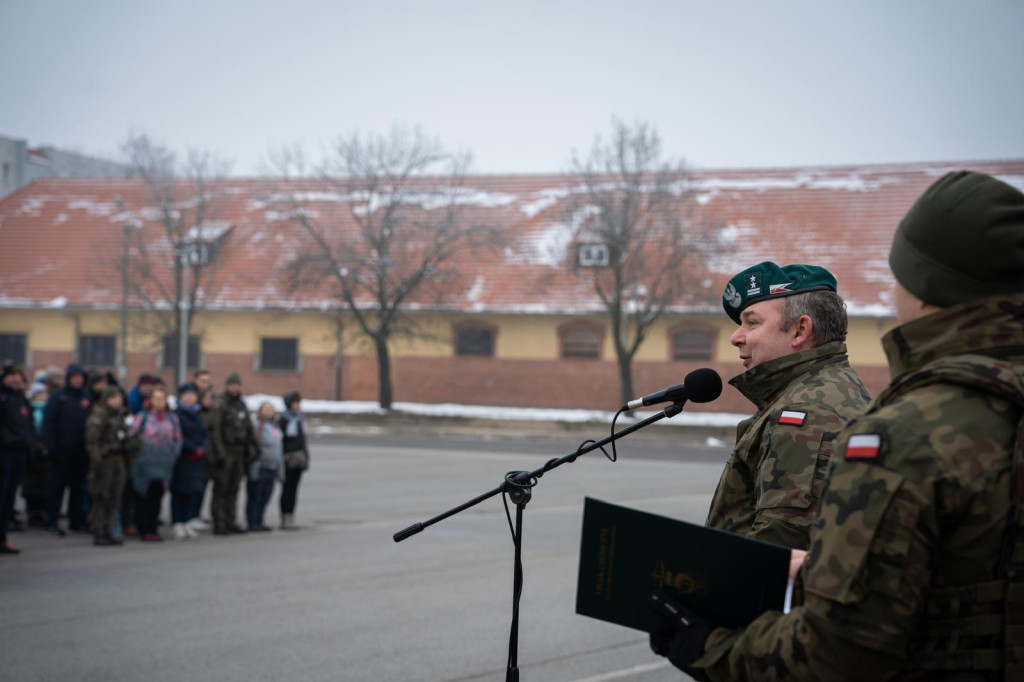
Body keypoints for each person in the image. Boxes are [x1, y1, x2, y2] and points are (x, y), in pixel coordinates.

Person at [649, 170, 1024, 681]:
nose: (737, 338)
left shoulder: (895, 429)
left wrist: (710, 649)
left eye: (752, 322)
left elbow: (837, 641)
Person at [705, 261, 871, 550]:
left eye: (752, 322)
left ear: (799, 330)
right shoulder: (828, 388)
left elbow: (776, 551)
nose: (736, 337)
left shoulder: (806, 412)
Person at [42, 363, 92, 536]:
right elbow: (48, 423)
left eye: (80, 377)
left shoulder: (86, 396)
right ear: (69, 378)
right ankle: (52, 521)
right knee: (57, 488)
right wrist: (52, 447)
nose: (78, 380)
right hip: (61, 451)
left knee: (78, 489)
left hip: (81, 452)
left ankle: (76, 521)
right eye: (74, 377)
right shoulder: (58, 396)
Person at [85, 386, 139, 546]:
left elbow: (126, 438)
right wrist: (98, 463)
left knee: (114, 498)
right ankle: (98, 530)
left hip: (119, 462)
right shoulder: (99, 417)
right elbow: (92, 442)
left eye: (119, 398)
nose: (117, 401)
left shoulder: (121, 416)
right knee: (102, 497)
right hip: (105, 462)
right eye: (113, 398)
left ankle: (108, 530)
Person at [129, 385, 182, 542]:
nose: (159, 402)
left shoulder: (172, 418)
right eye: (156, 398)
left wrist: (173, 456)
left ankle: (153, 527)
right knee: (143, 496)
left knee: (157, 498)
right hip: (144, 465)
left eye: (162, 399)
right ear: (150, 400)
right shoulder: (142, 417)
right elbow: (132, 437)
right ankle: (143, 528)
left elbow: (177, 440)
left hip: (164, 465)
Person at [207, 373, 257, 536]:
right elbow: (216, 431)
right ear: (227, 386)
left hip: (239, 452)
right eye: (232, 385)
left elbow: (249, 428)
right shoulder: (220, 404)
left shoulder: (241, 405)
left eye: (238, 385)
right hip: (225, 452)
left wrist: (254, 448)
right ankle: (219, 522)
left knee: (234, 488)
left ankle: (231, 520)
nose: (235, 388)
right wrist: (219, 453)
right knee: (221, 487)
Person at [0, 363, 33, 555]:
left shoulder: (20, 398)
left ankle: (3, 538)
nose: (16, 379)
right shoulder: (2, 397)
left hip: (19, 453)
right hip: (4, 453)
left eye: (18, 375)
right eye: (12, 376)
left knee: (9, 499)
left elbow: (26, 425)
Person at [171, 383, 208, 540]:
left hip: (197, 460)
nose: (190, 398)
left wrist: (202, 448)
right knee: (179, 491)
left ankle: (188, 522)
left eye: (193, 395)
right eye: (186, 395)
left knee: (193, 491)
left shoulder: (199, 414)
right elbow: (178, 435)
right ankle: (177, 523)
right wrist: (192, 449)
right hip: (182, 458)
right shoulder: (176, 414)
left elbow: (206, 434)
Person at [247, 401, 284, 532]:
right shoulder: (256, 425)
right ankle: (252, 521)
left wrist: (281, 470)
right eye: (266, 408)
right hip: (260, 466)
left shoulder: (275, 427)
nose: (268, 411)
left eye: (271, 409)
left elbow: (279, 449)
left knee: (265, 496)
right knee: (256, 495)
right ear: (260, 411)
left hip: (273, 466)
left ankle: (260, 520)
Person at [278, 390, 309, 530]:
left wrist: (306, 457)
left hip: (299, 458)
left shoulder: (299, 419)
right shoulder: (283, 419)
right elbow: (280, 440)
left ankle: (291, 514)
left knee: (294, 489)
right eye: (294, 403)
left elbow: (302, 440)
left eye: (298, 402)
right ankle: (284, 516)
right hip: (287, 458)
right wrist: (284, 455)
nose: (296, 405)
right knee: (287, 489)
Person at [21, 386, 50, 527]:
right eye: (39, 394)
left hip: (45, 448)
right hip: (32, 449)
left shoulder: (48, 409)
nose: (43, 396)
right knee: (31, 483)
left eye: (44, 393)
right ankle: (32, 512)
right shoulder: (30, 409)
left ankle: (42, 512)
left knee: (45, 482)